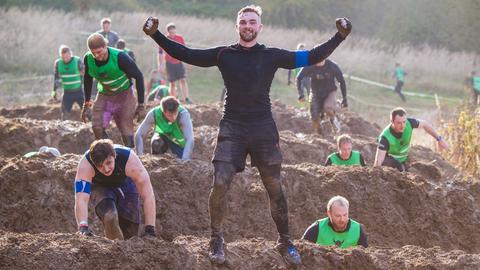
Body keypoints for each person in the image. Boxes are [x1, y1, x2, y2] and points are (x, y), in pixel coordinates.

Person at [143, 5, 351, 268]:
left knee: (274, 186)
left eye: (252, 22)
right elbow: (185, 53)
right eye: (243, 22)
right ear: (237, 26)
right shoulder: (224, 55)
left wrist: (339, 36)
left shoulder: (272, 56)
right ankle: (216, 239)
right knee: (220, 182)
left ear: (260, 27)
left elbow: (310, 56)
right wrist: (156, 35)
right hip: (233, 125)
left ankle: (285, 241)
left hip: (263, 126)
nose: (248, 26)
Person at [74, 139, 156, 240]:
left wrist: (150, 229)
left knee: (131, 235)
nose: (106, 169)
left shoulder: (129, 160)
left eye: (109, 163)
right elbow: (81, 198)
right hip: (100, 186)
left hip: (126, 184)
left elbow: (147, 194)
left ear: (114, 156)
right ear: (93, 163)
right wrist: (83, 226)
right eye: (100, 166)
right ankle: (114, 249)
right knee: (110, 216)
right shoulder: (86, 165)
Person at [80, 33, 146, 148]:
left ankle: (129, 157)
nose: (97, 56)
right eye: (93, 53)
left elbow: (139, 76)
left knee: (127, 133)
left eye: (99, 52)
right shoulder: (88, 59)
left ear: (106, 45)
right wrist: (86, 103)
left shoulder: (120, 57)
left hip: (125, 95)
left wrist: (141, 104)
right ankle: (109, 154)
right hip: (105, 94)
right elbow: (87, 79)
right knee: (97, 127)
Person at [374, 107, 449, 172]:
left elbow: (425, 124)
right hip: (390, 162)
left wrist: (439, 139)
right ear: (392, 122)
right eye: (399, 123)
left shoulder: (409, 123)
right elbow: (379, 160)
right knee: (399, 167)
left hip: (403, 159)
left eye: (404, 122)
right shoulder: (385, 137)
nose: (402, 125)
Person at [296, 58, 347, 134]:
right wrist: (301, 94)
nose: (319, 62)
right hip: (315, 93)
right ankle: (321, 135)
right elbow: (299, 78)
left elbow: (341, 81)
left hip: (330, 92)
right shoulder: (310, 66)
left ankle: (335, 121)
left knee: (328, 107)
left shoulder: (332, 66)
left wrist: (344, 98)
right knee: (314, 117)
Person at [302, 196, 368, 248]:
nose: (342, 219)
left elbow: (366, 258)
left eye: (345, 215)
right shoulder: (317, 228)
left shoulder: (358, 229)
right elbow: (301, 248)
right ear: (329, 214)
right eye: (337, 216)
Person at [157, 23, 192, 104]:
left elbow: (185, 50)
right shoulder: (164, 39)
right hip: (169, 63)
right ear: (168, 32)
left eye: (174, 32)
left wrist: (189, 61)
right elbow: (160, 53)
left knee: (183, 80)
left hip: (178, 62)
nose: (173, 34)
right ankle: (174, 99)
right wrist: (160, 65)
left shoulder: (179, 38)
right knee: (172, 83)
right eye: (171, 32)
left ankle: (186, 98)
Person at [52, 45, 85, 120]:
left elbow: (85, 74)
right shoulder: (58, 63)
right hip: (67, 93)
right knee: (65, 115)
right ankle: (64, 130)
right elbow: (56, 79)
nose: (65, 59)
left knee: (87, 112)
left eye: (67, 57)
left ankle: (95, 128)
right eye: (63, 58)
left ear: (70, 54)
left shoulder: (77, 61)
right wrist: (54, 91)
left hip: (79, 92)